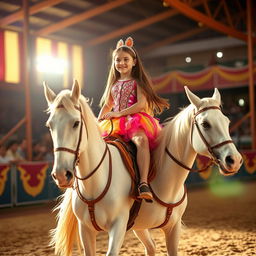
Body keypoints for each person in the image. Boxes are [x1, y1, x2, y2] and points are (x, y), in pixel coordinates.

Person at [98, 37, 169, 201]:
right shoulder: (113, 84)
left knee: (141, 141)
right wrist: (99, 120)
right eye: (118, 60)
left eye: (125, 59)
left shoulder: (138, 82)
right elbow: (108, 105)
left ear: (134, 62)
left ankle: (143, 182)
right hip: (114, 123)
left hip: (134, 120)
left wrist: (118, 114)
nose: (121, 63)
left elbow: (140, 105)